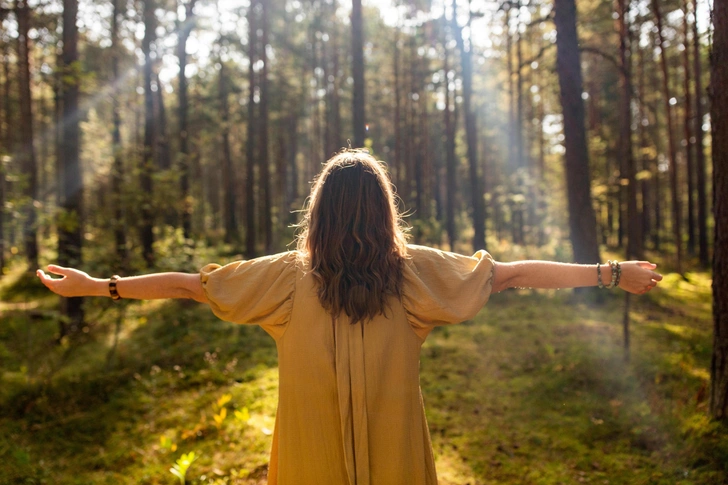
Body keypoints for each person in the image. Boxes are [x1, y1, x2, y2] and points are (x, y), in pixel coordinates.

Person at [37, 150, 662, 485]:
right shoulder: (415, 273)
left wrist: (102, 286)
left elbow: (189, 287)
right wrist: (610, 273)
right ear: (383, 211)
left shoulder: (284, 278)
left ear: (319, 212)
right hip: (397, 463)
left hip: (310, 463)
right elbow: (516, 272)